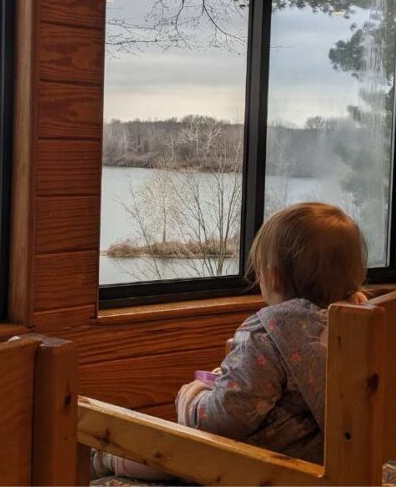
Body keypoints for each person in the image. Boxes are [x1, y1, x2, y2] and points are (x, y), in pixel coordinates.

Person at [93, 202, 370, 481]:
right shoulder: (357, 320)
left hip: (271, 466)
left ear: (272, 278)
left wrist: (192, 398)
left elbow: (221, 422)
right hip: (326, 455)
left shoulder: (266, 333)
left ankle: (109, 459)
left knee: (177, 447)